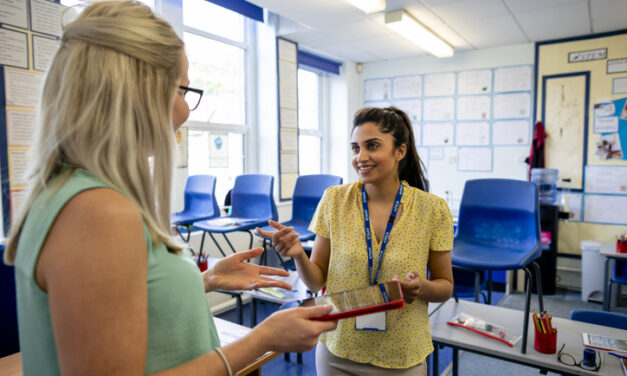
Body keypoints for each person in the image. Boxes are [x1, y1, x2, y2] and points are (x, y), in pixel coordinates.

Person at [3, 1, 336, 375]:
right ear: (145, 91)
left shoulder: (74, 195)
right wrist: (261, 340)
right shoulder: (96, 212)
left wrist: (206, 280)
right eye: (183, 91)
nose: (186, 110)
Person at [258, 106, 454, 375]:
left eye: (372, 146)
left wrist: (421, 288)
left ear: (400, 151)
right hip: (338, 348)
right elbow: (316, 281)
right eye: (355, 148)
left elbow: (445, 287)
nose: (361, 157)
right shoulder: (335, 199)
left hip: (401, 354)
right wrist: (297, 254)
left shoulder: (432, 209)